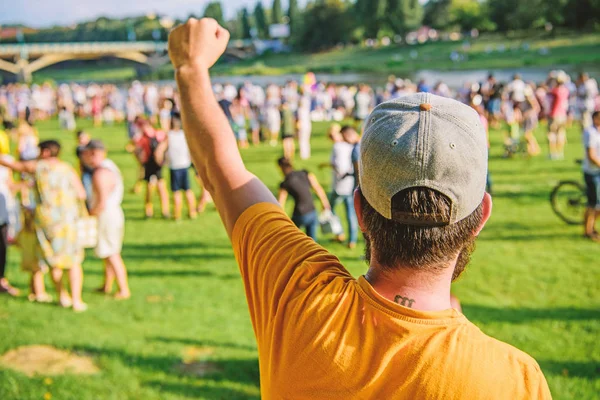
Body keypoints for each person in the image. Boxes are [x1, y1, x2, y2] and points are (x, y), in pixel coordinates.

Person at [169, 18, 551, 399]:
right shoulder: (515, 381)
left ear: (360, 210)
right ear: (480, 216)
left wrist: (191, 68)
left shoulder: (297, 295)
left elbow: (221, 172)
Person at [0, 140, 87, 312]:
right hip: (68, 220)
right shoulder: (67, 168)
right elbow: (81, 194)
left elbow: (15, 165)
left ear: (46, 152)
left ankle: (63, 296)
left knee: (55, 261)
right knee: (73, 261)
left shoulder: (39, 167)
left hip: (47, 221)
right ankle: (77, 300)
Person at [82, 140, 131, 298]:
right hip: (113, 213)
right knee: (107, 251)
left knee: (112, 253)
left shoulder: (100, 173)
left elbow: (101, 201)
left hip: (106, 215)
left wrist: (90, 214)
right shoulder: (110, 167)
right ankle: (107, 285)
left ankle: (123, 289)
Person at [321, 124, 359, 248]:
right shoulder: (350, 146)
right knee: (350, 213)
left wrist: (331, 168)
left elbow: (339, 166)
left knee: (330, 208)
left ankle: (340, 233)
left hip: (340, 185)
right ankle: (352, 239)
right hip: (350, 184)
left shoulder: (338, 147)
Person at [277, 157, 330, 241]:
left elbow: (280, 203)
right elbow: (318, 189)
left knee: (291, 238)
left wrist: (279, 220)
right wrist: (325, 203)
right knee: (312, 241)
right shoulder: (305, 173)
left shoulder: (285, 183)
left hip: (299, 214)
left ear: (280, 167)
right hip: (312, 211)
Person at [164, 113, 197, 221]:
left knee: (176, 191)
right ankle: (192, 212)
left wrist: (161, 159)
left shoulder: (169, 136)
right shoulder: (184, 135)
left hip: (174, 166)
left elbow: (161, 149)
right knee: (188, 189)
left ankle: (177, 214)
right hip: (184, 165)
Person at [135, 118, 170, 219]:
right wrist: (140, 159)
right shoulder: (142, 138)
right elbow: (137, 150)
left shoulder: (158, 134)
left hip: (157, 164)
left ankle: (165, 210)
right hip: (148, 164)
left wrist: (161, 149)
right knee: (150, 188)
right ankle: (148, 210)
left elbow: (167, 139)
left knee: (161, 187)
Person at [583, 111, 600, 242]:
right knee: (593, 203)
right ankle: (588, 231)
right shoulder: (591, 133)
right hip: (592, 172)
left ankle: (592, 227)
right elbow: (591, 156)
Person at [548, 74, 570, 160]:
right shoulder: (566, 90)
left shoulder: (555, 91)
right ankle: (560, 152)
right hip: (563, 114)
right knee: (561, 133)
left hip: (554, 114)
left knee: (552, 134)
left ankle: (553, 153)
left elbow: (548, 92)